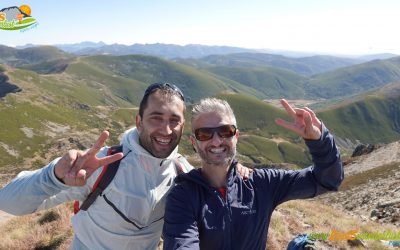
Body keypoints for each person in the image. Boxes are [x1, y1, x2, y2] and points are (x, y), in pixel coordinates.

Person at [0, 83, 253, 250]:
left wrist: (235, 171)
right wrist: (53, 176)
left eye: (174, 121)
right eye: (156, 118)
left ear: (183, 126)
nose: (166, 130)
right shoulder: (101, 164)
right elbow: (8, 202)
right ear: (139, 121)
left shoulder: (182, 173)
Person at [163, 98, 344, 250]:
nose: (217, 141)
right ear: (194, 142)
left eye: (225, 131)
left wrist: (319, 141)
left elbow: (327, 180)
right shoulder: (183, 196)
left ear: (236, 136)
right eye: (205, 134)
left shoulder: (262, 183)